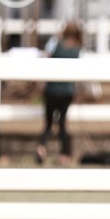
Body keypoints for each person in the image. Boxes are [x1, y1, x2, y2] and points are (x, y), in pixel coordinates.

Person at [36, 22, 83, 165]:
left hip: (52, 89)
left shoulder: (55, 42)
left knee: (49, 122)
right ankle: (65, 154)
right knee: (63, 123)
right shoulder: (77, 49)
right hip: (67, 92)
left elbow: (45, 57)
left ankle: (42, 146)